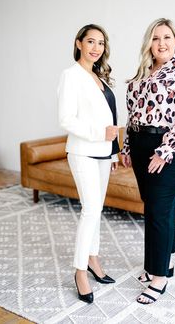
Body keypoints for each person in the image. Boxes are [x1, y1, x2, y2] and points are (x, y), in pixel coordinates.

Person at [121, 18, 175, 305]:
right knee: (156, 206)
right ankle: (164, 261)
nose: (162, 43)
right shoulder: (142, 73)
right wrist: (127, 147)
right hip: (143, 145)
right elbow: (133, 115)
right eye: (156, 38)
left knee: (157, 209)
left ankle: (159, 277)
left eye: (167, 37)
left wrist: (164, 150)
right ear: (149, 43)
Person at [58, 24, 120, 304]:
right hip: (83, 152)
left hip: (104, 154)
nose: (96, 48)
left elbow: (111, 118)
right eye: (91, 41)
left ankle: (93, 259)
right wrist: (99, 135)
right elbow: (66, 119)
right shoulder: (70, 76)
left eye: (101, 43)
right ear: (79, 43)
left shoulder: (99, 77)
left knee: (97, 211)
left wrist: (114, 152)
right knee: (90, 210)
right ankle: (80, 270)